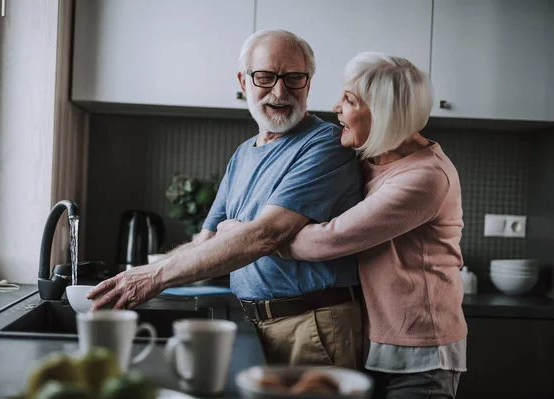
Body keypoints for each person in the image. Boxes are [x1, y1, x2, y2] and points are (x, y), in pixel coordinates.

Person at [88, 29, 366, 368]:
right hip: (256, 323)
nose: (280, 91)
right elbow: (205, 241)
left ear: (308, 82)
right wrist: (138, 275)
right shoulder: (242, 155)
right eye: (265, 77)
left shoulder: (325, 144)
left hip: (312, 325)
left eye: (294, 78)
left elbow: (267, 234)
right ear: (243, 81)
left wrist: (153, 278)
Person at [219, 52, 467, 399]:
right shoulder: (372, 159)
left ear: (383, 114)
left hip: (418, 352)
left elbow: (326, 241)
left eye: (349, 100)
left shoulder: (424, 177)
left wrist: (253, 234)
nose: (336, 107)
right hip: (375, 341)